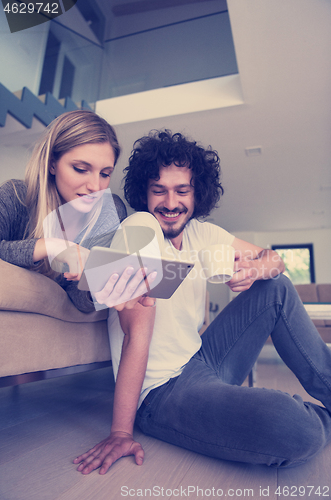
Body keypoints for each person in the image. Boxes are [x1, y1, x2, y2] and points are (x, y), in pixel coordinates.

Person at [74, 130, 331, 475]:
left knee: (276, 286)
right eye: (159, 190)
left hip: (204, 358)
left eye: (182, 190)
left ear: (197, 194)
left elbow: (275, 260)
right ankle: (311, 420)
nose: (170, 202)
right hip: (163, 391)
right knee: (296, 429)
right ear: (144, 193)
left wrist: (255, 269)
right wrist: (121, 431)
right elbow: (136, 328)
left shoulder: (204, 233)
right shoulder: (140, 226)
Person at [0, 109, 156, 312]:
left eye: (105, 174)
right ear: (52, 163)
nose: (95, 186)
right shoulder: (15, 196)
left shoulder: (110, 211)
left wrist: (99, 288)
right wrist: (53, 247)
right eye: (81, 169)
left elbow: (77, 299)